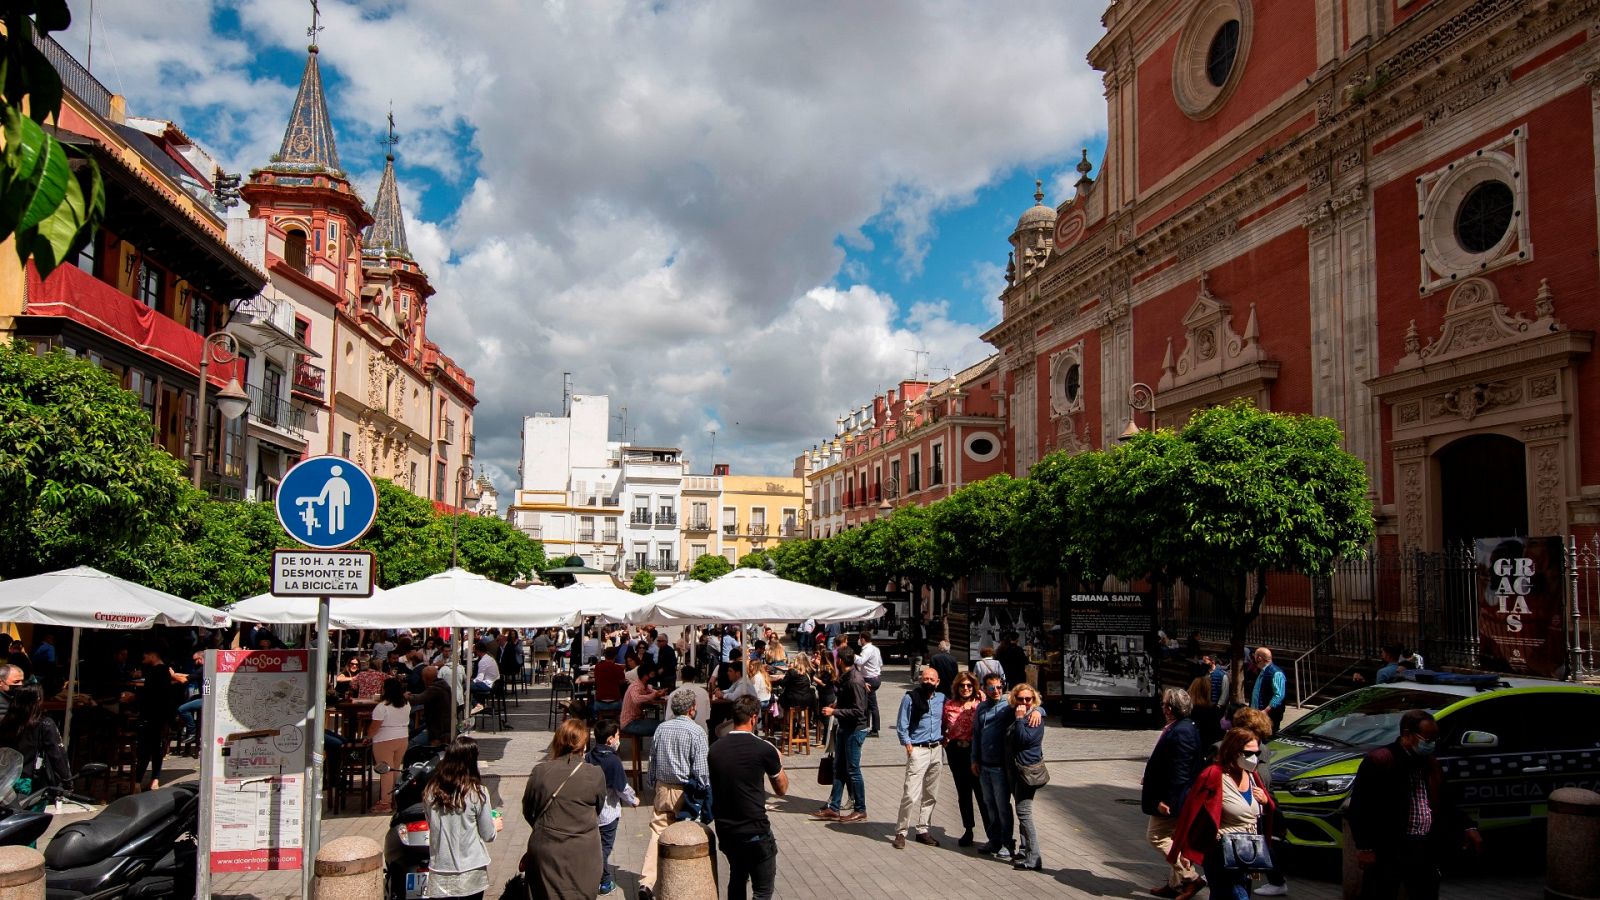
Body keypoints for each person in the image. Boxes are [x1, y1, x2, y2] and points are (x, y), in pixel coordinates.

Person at [1348, 709, 1480, 900]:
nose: (1432, 743)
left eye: (1435, 738)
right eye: (1427, 739)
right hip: (1389, 848)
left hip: (1424, 846)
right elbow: (1360, 807)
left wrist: (1467, 825)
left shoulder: (1430, 764)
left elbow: (1445, 800)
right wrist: (1365, 847)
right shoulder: (1380, 760)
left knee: (1425, 891)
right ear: (1407, 735)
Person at [1169, 727, 1275, 900]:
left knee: (1223, 895)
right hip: (1220, 852)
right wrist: (1185, 849)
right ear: (1233, 751)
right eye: (1248, 753)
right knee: (1238, 896)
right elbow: (1192, 812)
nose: (1253, 758)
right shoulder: (1213, 775)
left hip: (1248, 851)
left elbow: (1267, 811)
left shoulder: (1252, 776)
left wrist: (1265, 801)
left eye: (1256, 753)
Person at [708, 695, 787, 900]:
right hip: (755, 831)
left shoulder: (715, 750)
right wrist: (779, 762)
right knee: (762, 891)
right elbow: (782, 789)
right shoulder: (764, 749)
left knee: (737, 878)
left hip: (727, 831)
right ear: (754, 718)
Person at [523, 719, 606, 900]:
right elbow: (599, 808)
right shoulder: (595, 774)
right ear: (584, 745)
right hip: (584, 852)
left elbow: (528, 810)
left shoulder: (540, 772)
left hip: (546, 850)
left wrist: (546, 827)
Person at [639, 688, 709, 900]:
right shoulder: (696, 732)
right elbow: (701, 769)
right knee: (685, 834)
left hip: (663, 787)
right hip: (684, 790)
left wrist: (652, 782)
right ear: (691, 709)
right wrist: (704, 790)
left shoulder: (662, 728)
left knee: (657, 832)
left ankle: (647, 881)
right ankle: (680, 881)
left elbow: (652, 757)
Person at [1142, 688, 1203, 898]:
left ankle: (1190, 877)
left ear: (1171, 708)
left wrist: (1168, 799)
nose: (1162, 707)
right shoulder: (1179, 726)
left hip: (1175, 798)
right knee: (1176, 837)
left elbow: (1181, 771)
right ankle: (1175, 885)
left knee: (1157, 837)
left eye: (1164, 704)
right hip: (1174, 794)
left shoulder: (1183, 730)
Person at [421, 736, 499, 899]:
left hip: (440, 868)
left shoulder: (430, 792)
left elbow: (431, 824)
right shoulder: (477, 793)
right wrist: (495, 825)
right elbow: (488, 834)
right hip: (471, 870)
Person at [810, 646, 868, 823]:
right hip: (845, 728)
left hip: (854, 729)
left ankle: (860, 808)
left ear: (840, 661)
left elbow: (859, 711)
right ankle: (834, 807)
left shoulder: (854, 681)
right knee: (839, 768)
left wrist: (834, 712)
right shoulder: (847, 678)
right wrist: (837, 704)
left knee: (852, 769)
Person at [892, 666, 945, 849]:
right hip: (918, 750)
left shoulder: (941, 699)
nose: (928, 681)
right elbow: (902, 724)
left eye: (932, 679)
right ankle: (901, 832)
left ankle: (923, 829)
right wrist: (908, 745)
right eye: (925, 678)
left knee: (931, 794)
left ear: (937, 682)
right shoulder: (910, 697)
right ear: (920, 680)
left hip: (937, 749)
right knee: (910, 794)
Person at [586, 719, 638, 895]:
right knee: (604, 849)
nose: (619, 739)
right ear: (610, 740)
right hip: (608, 813)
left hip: (591, 811)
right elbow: (621, 787)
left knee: (597, 847)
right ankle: (604, 881)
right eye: (617, 736)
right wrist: (633, 800)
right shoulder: (613, 761)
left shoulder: (590, 755)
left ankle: (601, 878)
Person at [0, 687, 69, 805]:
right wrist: (67, 781)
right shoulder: (44, 724)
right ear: (38, 700)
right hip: (33, 784)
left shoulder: (6, 723)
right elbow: (57, 755)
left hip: (8, 781)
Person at [974, 672, 1015, 859]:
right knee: (989, 804)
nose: (996, 691)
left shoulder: (1008, 705)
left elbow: (1034, 706)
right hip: (984, 765)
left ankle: (1008, 842)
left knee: (1002, 806)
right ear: (984, 689)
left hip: (999, 767)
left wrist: (1039, 712)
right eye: (991, 688)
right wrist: (974, 759)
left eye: (999, 687)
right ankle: (994, 839)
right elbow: (976, 734)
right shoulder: (981, 707)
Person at [1007, 682, 1046, 871]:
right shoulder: (1018, 713)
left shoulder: (1033, 718)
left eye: (1028, 699)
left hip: (1027, 771)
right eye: (1020, 699)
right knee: (1022, 812)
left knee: (1024, 813)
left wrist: (1021, 718)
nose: (1024, 702)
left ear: (1034, 700)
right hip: (1015, 769)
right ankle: (1026, 851)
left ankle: (1034, 856)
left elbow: (1023, 740)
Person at [127, 646, 177, 791]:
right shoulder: (165, 672)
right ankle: (154, 779)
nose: (144, 657)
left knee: (145, 749)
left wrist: (134, 697)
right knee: (156, 748)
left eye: (146, 654)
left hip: (150, 715)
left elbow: (150, 694)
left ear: (153, 655)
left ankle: (137, 781)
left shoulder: (155, 672)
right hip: (161, 715)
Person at [942, 671, 981, 847]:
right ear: (957, 687)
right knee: (963, 793)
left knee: (982, 793)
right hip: (956, 753)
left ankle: (992, 832)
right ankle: (968, 829)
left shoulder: (981, 704)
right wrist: (945, 742)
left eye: (969, 686)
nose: (965, 688)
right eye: (962, 685)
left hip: (975, 752)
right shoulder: (949, 705)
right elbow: (943, 726)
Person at [369, 677, 411, 813]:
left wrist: (367, 737)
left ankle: (385, 803)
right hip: (403, 737)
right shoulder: (406, 704)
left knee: (385, 770)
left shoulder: (382, 707)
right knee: (395, 770)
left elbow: (374, 727)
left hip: (384, 739)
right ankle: (393, 799)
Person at [621, 659, 668, 739]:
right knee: (663, 727)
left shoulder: (643, 685)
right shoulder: (635, 686)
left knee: (663, 724)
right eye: (652, 674)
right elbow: (637, 699)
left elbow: (652, 691)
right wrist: (654, 694)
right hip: (629, 724)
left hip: (636, 720)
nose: (654, 677)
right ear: (645, 676)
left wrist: (659, 693)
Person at [408, 665, 451, 749]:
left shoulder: (435, 689)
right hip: (441, 725)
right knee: (413, 733)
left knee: (411, 746)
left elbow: (418, 699)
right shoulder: (443, 685)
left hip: (437, 729)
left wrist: (405, 697)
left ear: (425, 679)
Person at [1251, 647, 1287, 731]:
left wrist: (1266, 711)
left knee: (1267, 739)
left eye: (1255, 657)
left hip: (1268, 716)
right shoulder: (1263, 672)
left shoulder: (1276, 673)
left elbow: (1279, 696)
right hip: (1258, 714)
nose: (1254, 659)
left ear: (1259, 658)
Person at [854, 632, 883, 735]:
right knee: (868, 703)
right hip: (876, 678)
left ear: (863, 639)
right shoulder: (875, 649)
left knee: (871, 705)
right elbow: (880, 664)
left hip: (869, 680)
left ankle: (874, 729)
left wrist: (852, 656)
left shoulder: (867, 650)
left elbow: (861, 661)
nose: (859, 640)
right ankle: (867, 726)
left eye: (860, 638)